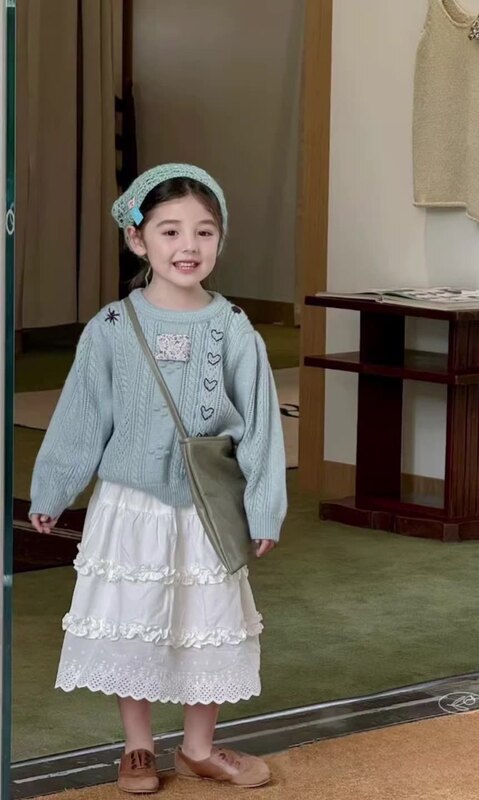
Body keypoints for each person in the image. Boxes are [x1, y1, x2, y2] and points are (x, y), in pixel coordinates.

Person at [29, 164, 287, 793]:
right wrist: (53, 489)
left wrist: (264, 507)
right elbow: (83, 415)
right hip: (131, 505)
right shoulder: (112, 328)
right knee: (134, 617)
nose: (188, 246)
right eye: (170, 231)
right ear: (137, 240)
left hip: (207, 508)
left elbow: (260, 425)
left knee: (208, 620)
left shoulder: (233, 329)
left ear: (220, 239)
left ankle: (198, 747)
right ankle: (138, 746)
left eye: (204, 231)